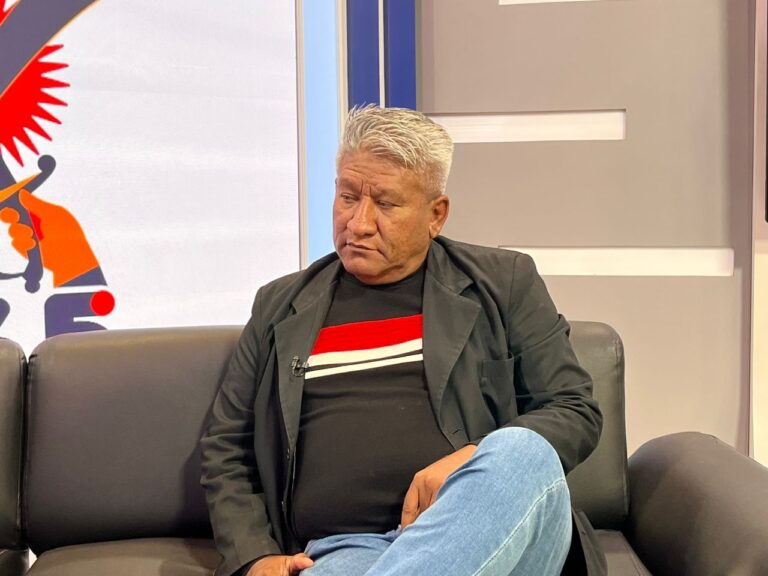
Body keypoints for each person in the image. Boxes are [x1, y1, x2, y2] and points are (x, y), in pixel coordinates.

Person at [201, 106, 603, 576]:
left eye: (386, 204)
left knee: (523, 452)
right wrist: (255, 556)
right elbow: (228, 444)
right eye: (348, 197)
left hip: (483, 531)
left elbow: (574, 409)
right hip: (344, 550)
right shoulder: (279, 305)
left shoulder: (503, 282)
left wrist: (473, 459)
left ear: (436, 215)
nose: (359, 222)